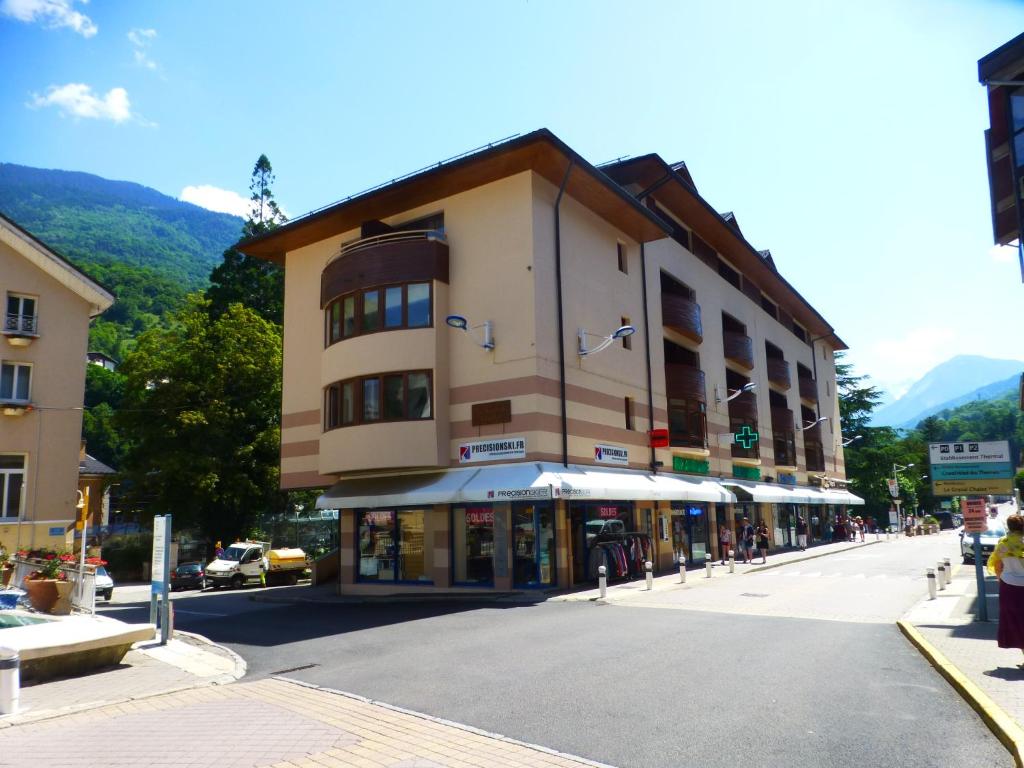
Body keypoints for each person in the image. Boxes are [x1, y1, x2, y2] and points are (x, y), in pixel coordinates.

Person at [987, 514, 1024, 666]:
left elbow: (997, 565)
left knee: (1015, 621)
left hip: (1009, 586)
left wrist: (1000, 579)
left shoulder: (1004, 543)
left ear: (1009, 526)